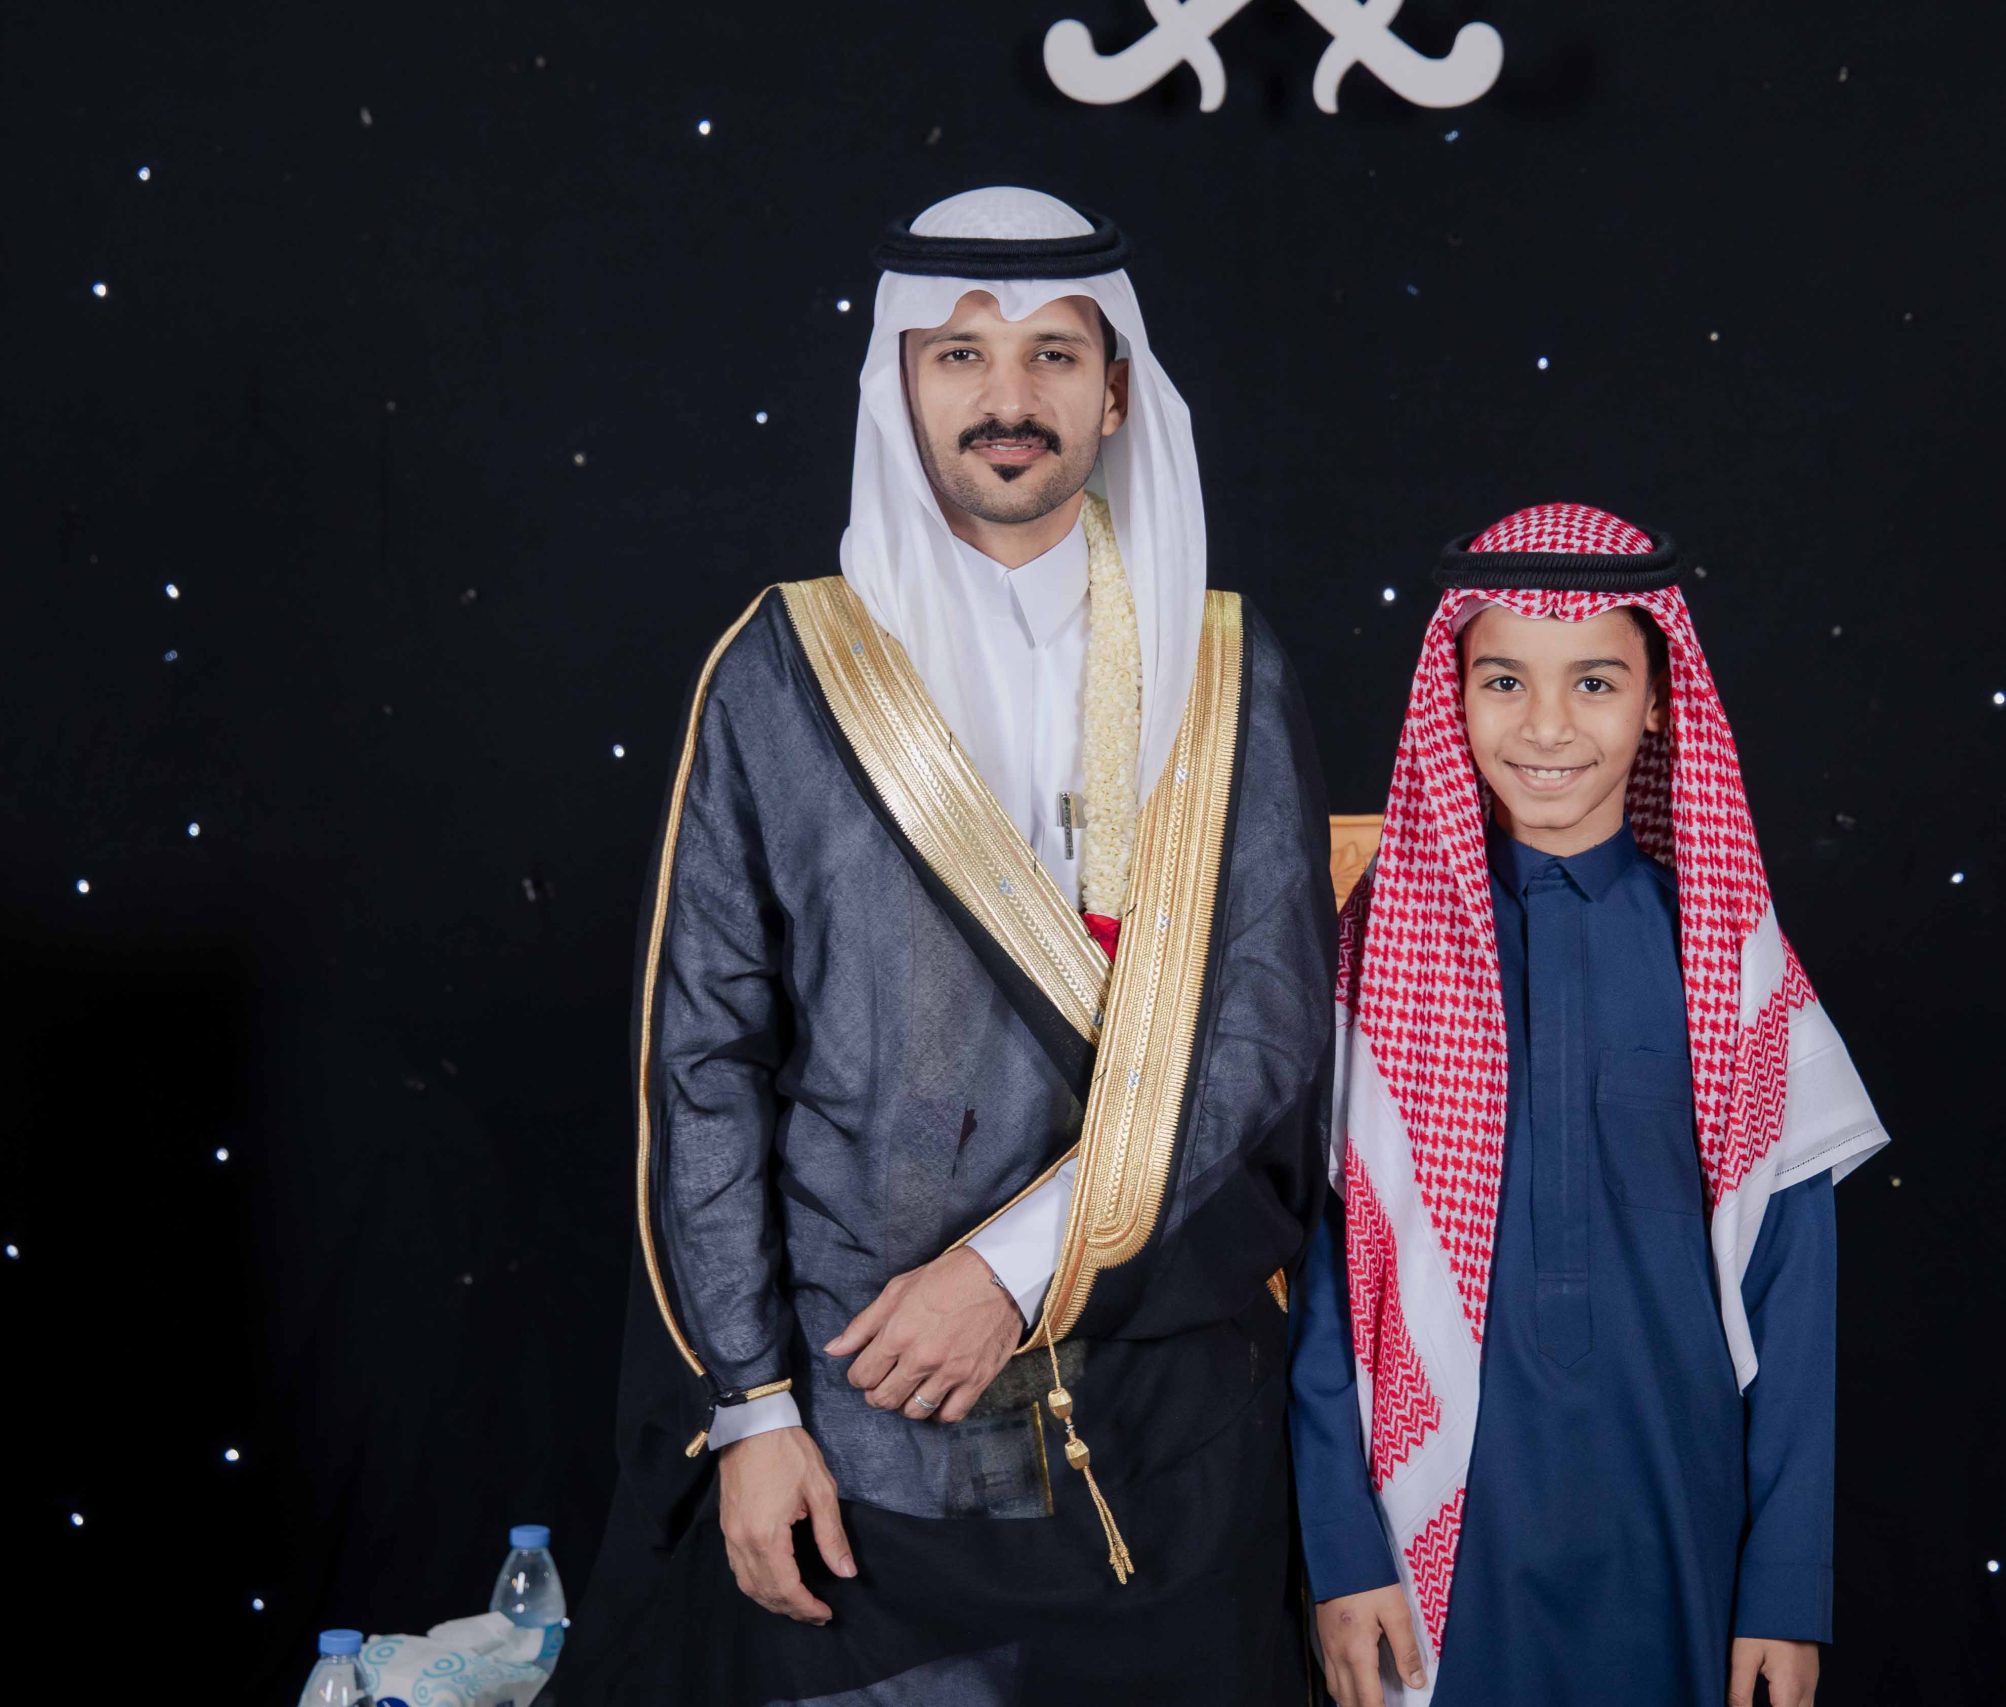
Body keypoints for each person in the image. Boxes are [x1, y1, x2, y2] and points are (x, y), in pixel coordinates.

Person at [568, 187, 1333, 1706]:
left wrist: (1009, 1265)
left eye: (1055, 354)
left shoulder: (1225, 668)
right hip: (867, 1438)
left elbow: (1261, 1029)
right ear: (898, 384)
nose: (1008, 398)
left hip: (1168, 1421)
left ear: (1118, 392)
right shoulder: (782, 670)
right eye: (960, 354)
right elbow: (703, 1060)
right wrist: (751, 1407)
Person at [1289, 504, 1892, 1706]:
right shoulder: (1377, 954)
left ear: (1659, 701)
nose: (1548, 726)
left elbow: (1793, 1297)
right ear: (1454, 695)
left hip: (1675, 1514)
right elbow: (1322, 1276)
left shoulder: (1731, 961)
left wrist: (1784, 1584)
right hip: (1433, 1533)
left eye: (1596, 682)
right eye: (1504, 680)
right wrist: (1339, 1549)